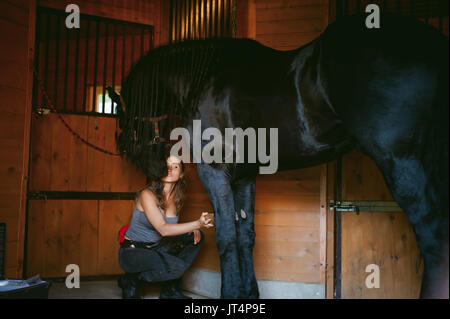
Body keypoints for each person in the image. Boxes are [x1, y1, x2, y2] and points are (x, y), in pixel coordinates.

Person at [118, 155, 214, 299]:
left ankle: (169, 291)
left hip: (155, 248)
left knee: (196, 237)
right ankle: (130, 280)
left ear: (181, 174)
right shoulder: (147, 194)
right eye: (167, 165)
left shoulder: (176, 198)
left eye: (175, 166)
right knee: (177, 267)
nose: (170, 169)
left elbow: (170, 231)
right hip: (133, 252)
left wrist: (193, 229)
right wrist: (196, 223)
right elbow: (163, 228)